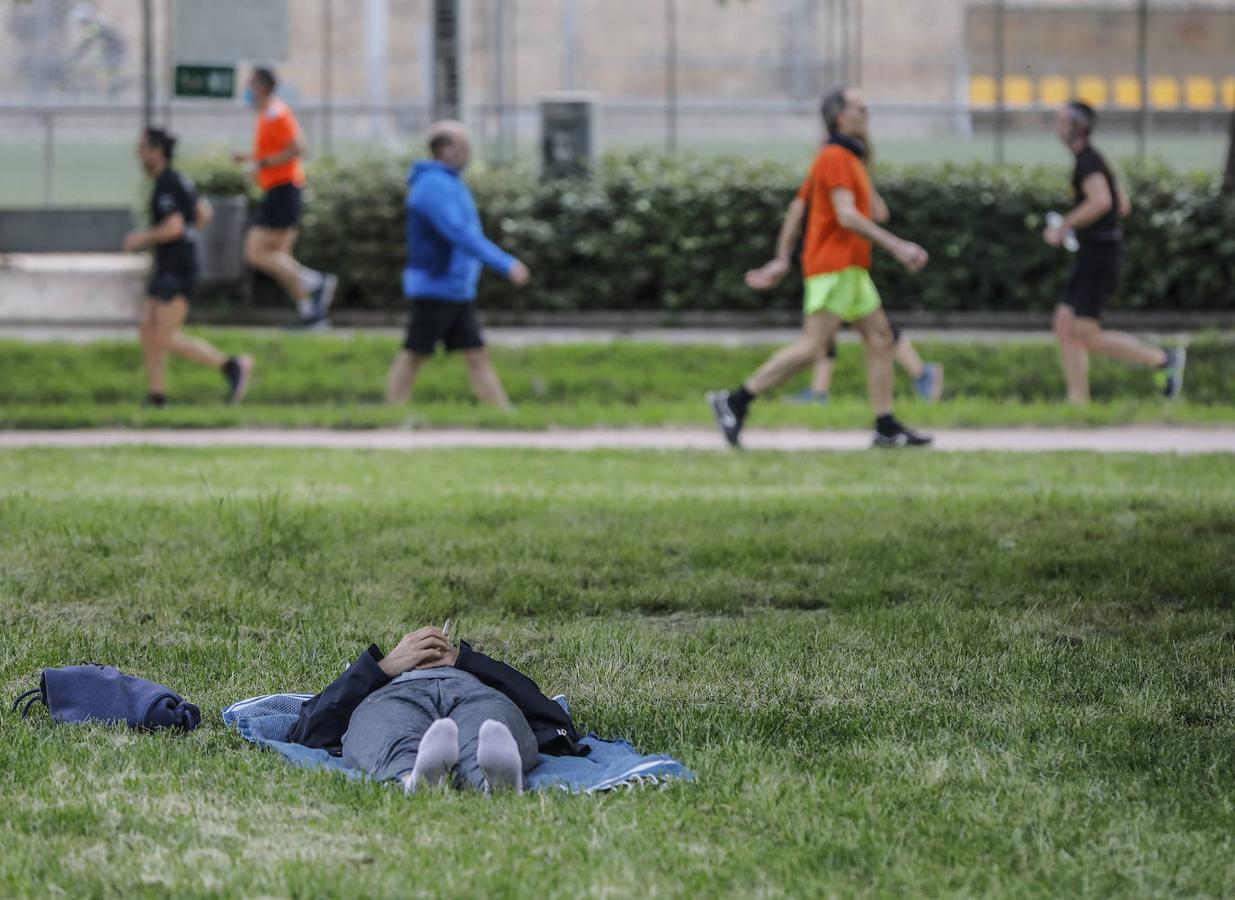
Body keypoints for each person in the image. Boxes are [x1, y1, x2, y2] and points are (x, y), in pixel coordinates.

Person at [708, 87, 932, 448]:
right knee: (813, 348)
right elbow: (845, 215)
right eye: (861, 107)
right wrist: (897, 246)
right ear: (840, 117)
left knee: (880, 339)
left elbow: (805, 209)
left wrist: (782, 259)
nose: (868, 112)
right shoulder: (834, 157)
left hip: (852, 269)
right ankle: (734, 401)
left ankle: (886, 427)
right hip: (835, 267)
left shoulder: (845, 158)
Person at [287, 626, 587, 794]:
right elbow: (309, 728)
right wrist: (384, 667)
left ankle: (493, 780)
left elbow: (548, 715)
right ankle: (412, 778)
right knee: (390, 730)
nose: (424, 650)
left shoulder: (474, 672)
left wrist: (465, 661)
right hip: (393, 696)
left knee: (490, 730)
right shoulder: (377, 679)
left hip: (473, 691)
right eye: (412, 647)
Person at [1046, 101, 1186, 403]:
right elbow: (1121, 203)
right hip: (1093, 254)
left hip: (1099, 257)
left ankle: (1162, 359)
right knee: (1064, 323)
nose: (1056, 128)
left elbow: (1102, 202)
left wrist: (1064, 227)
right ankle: (1077, 401)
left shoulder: (1088, 162)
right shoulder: (1093, 160)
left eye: (1061, 122)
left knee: (1086, 333)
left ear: (1078, 127)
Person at [385, 121, 530, 409]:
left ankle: (503, 414)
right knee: (414, 352)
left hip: (455, 288)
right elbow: (461, 234)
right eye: (465, 146)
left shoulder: (448, 182)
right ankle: (391, 411)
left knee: (476, 354)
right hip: (436, 285)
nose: (468, 153)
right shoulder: (433, 186)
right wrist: (505, 264)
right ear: (447, 149)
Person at [124, 128, 252, 407]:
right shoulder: (175, 180)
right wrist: (187, 234)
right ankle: (157, 395)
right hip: (169, 265)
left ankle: (231, 365)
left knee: (165, 337)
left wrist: (141, 238)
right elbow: (203, 212)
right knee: (147, 329)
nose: (139, 153)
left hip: (177, 269)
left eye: (143, 148)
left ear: (158, 152)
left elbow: (174, 227)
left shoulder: (167, 184)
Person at [233, 66, 337, 329]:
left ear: (264, 87)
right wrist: (250, 159)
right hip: (278, 188)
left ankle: (316, 281)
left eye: (252, 84)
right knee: (281, 256)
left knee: (255, 252)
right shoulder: (266, 115)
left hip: (283, 189)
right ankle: (311, 314)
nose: (248, 90)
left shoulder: (277, 112)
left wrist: (263, 163)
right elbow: (273, 152)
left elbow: (298, 147)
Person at [791, 323, 943, 405]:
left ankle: (923, 373)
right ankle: (818, 393)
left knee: (876, 329)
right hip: (836, 274)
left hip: (844, 275)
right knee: (825, 328)